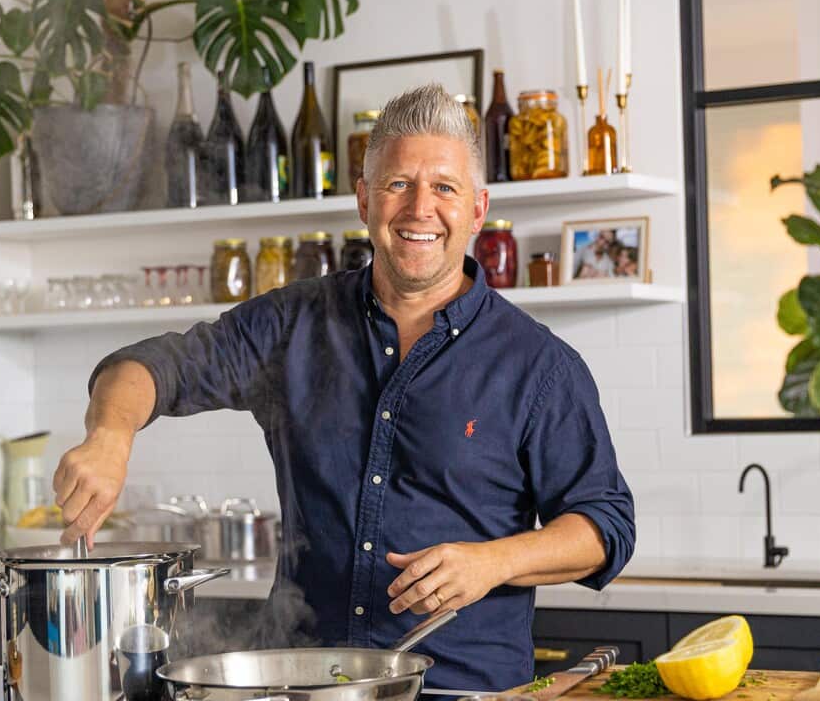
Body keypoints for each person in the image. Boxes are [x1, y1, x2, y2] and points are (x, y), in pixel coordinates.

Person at [52, 84, 635, 692]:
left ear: (478, 210)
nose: (419, 209)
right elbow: (152, 366)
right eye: (397, 184)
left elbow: (606, 525)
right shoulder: (290, 326)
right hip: (299, 682)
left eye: (444, 188)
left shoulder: (539, 365)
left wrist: (496, 561)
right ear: (364, 199)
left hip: (460, 689)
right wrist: (111, 435)